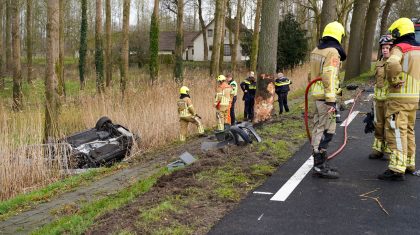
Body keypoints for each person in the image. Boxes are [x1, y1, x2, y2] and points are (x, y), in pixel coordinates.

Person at [378, 18, 420, 181]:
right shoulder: (417, 49)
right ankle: (409, 163)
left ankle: (396, 168)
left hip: (398, 98)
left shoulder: (400, 48)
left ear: (398, 32)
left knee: (396, 131)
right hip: (414, 98)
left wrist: (394, 80)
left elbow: (392, 63)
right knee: (409, 130)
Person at [308, 21, 346, 179]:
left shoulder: (317, 50)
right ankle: (318, 166)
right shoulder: (332, 52)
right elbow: (329, 75)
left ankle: (321, 161)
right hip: (325, 97)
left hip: (318, 95)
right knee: (323, 129)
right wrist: (331, 99)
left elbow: (311, 75)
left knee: (326, 129)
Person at [368, 35, 393, 160]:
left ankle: (389, 152)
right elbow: (376, 81)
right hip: (378, 100)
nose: (385, 50)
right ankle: (378, 150)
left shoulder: (394, 63)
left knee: (389, 126)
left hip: (390, 101)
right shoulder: (378, 62)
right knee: (378, 125)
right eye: (383, 47)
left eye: (388, 47)